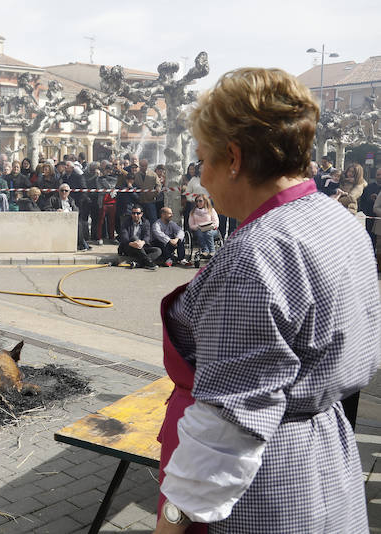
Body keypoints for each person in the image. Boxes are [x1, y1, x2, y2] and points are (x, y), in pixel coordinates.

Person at [155, 68, 380, 534]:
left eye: (202, 159)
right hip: (326, 453)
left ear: (233, 157)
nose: (201, 178)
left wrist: (172, 517)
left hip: (265, 477)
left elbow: (228, 423)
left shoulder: (256, 254)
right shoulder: (336, 219)